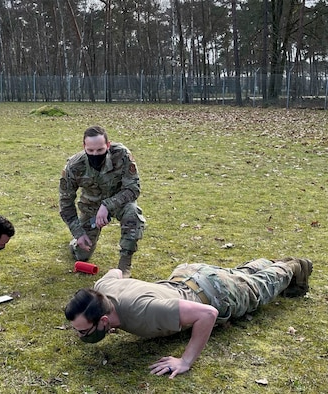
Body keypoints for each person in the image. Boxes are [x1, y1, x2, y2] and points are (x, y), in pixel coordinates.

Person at [64, 257, 313, 378]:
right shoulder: (101, 291)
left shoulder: (145, 311)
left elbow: (208, 314)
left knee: (264, 286)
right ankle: (261, 264)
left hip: (217, 293)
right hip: (187, 275)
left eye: (84, 331)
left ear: (104, 321)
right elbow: (115, 272)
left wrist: (186, 361)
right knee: (243, 276)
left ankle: (294, 266)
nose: (79, 335)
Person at [59, 125, 145, 277]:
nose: (95, 154)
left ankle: (124, 266)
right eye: (90, 150)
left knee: (133, 214)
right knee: (82, 255)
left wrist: (107, 205)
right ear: (84, 147)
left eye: (100, 150)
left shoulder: (122, 155)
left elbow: (133, 188)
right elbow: (66, 204)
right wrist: (78, 234)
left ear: (108, 145)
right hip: (91, 207)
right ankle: (74, 245)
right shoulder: (74, 166)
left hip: (119, 203)